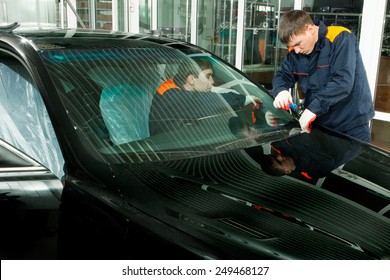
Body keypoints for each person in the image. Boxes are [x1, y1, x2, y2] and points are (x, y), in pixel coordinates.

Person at [272, 10, 374, 142]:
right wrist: (281, 91)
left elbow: (342, 82)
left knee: (354, 163)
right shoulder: (296, 51)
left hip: (350, 125)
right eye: (291, 46)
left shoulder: (340, 38)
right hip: (320, 124)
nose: (296, 50)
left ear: (310, 29)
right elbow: (282, 75)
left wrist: (313, 109)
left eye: (298, 44)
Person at [149, 58, 262, 136]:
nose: (212, 82)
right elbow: (208, 101)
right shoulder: (171, 94)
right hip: (167, 151)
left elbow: (218, 92)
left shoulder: (183, 86)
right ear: (191, 79)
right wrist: (245, 99)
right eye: (208, 76)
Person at [258, 127, 363, 182]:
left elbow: (287, 122)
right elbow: (329, 159)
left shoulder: (279, 144)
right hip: (353, 140)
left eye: (274, 156)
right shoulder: (311, 172)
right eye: (279, 162)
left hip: (334, 120)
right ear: (287, 171)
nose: (279, 156)